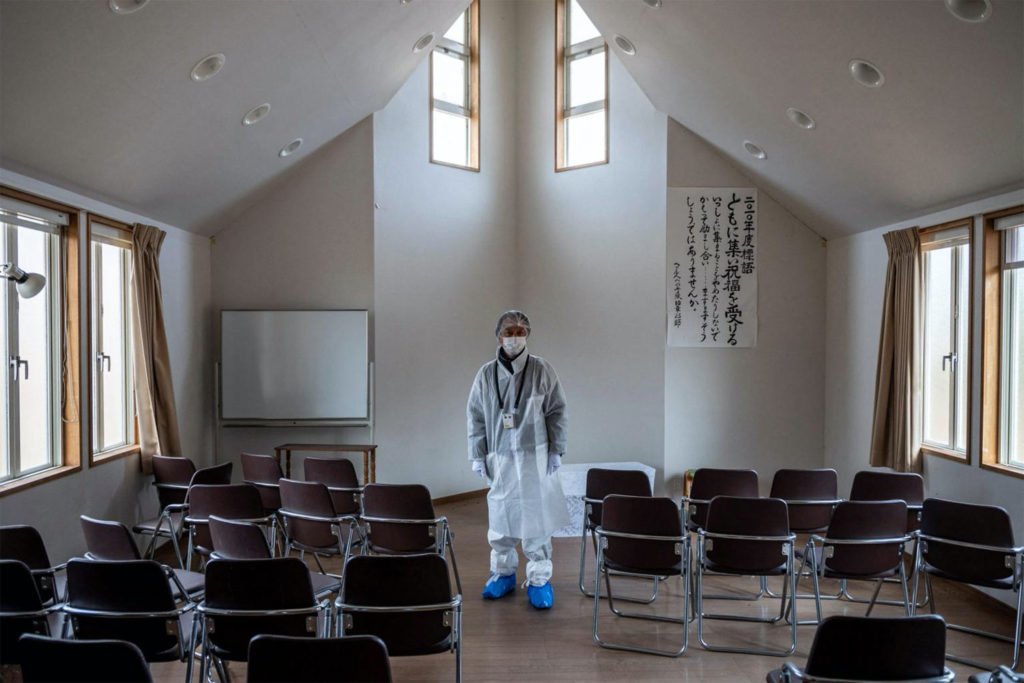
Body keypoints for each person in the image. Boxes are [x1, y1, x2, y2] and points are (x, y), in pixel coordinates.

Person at [466, 310, 569, 610]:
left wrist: (556, 450)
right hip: (499, 457)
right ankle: (503, 573)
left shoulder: (541, 370)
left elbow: (557, 411)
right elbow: (475, 417)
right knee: (501, 516)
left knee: (536, 518)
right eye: (509, 331)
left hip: (535, 456)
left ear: (528, 334)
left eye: (520, 330)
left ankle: (539, 579)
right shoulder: (486, 375)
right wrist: (477, 454)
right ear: (499, 336)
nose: (514, 336)